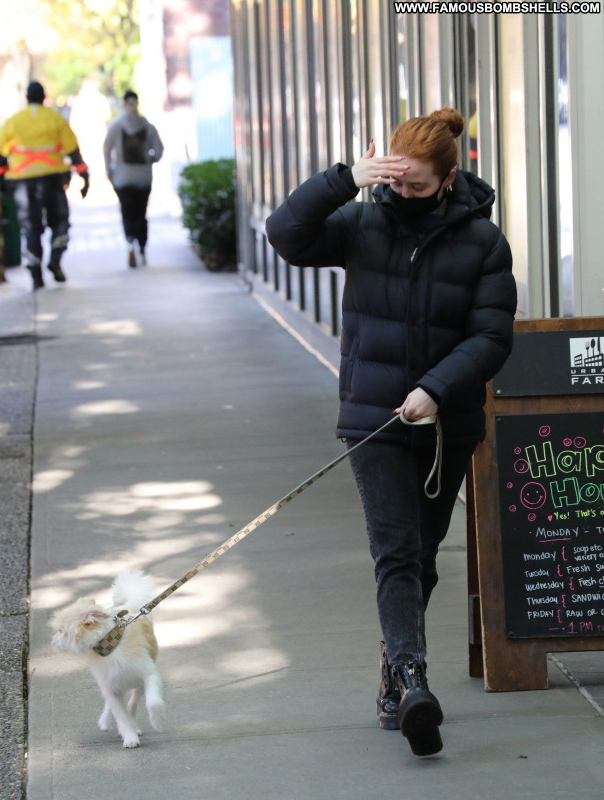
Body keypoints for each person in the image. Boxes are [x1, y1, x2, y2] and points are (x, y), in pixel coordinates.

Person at [265, 108, 516, 757]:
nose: (402, 197)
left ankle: (393, 667)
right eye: (395, 183)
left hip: (445, 423)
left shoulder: (484, 242)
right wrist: (346, 178)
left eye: (417, 187)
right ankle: (411, 680)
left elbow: (491, 336)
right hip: (372, 420)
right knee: (397, 551)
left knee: (424, 554)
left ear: (450, 178)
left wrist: (435, 388)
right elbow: (284, 234)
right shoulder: (362, 219)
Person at [0, 81, 90, 290]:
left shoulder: (14, 122)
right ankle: (55, 258)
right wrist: (84, 174)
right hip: (53, 180)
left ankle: (36, 275)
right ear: (44, 97)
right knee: (60, 221)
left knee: (31, 228)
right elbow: (73, 151)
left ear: (27, 98)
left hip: (22, 183)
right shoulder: (54, 119)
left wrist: (0, 181)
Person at [103, 90, 164, 268]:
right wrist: (149, 160)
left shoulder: (116, 126)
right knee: (141, 213)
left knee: (127, 212)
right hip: (143, 177)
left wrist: (110, 170)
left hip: (122, 177)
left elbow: (106, 148)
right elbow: (159, 151)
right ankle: (142, 248)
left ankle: (130, 242)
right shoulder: (147, 126)